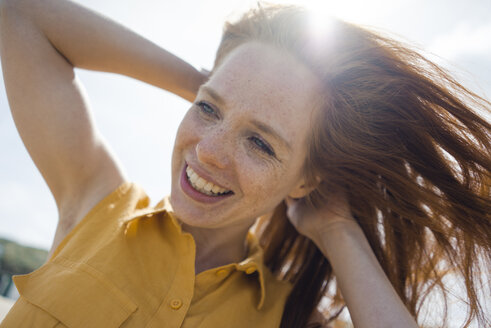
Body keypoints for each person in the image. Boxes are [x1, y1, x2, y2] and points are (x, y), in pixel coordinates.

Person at [0, 0, 489, 327]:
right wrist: (206, 81)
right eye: (206, 110)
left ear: (306, 177)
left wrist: (337, 230)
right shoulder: (95, 203)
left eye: (260, 143)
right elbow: (21, 15)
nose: (209, 150)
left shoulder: (291, 318)